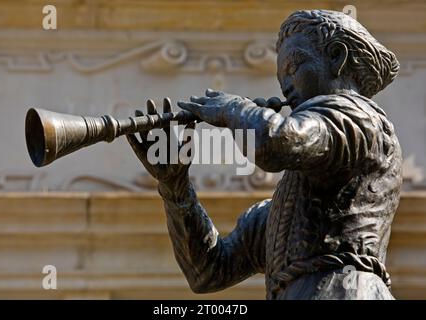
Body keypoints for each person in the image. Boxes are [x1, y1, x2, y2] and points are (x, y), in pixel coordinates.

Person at [126, 10, 402, 299]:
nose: (285, 86)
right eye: (280, 77)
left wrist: (232, 108)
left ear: (336, 57)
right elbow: (207, 272)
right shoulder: (285, 214)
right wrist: (175, 187)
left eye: (294, 67)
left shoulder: (359, 117)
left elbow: (275, 143)